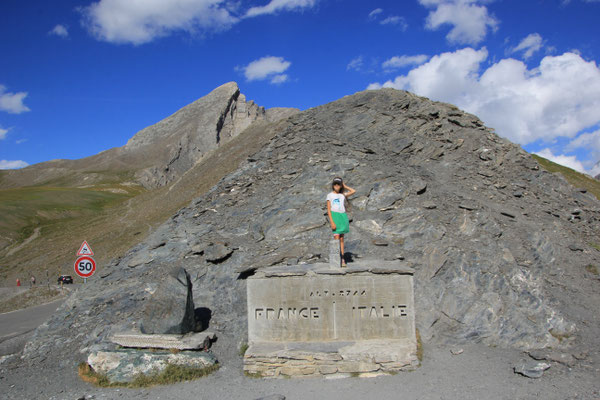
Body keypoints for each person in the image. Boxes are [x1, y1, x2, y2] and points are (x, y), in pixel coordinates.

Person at [326, 177, 356, 267]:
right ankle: (336, 259)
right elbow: (328, 210)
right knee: (336, 238)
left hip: (343, 216)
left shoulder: (342, 195)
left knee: (342, 239)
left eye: (338, 184)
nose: (336, 186)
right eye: (335, 184)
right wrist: (332, 222)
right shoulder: (330, 195)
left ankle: (342, 259)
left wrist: (345, 185)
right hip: (335, 217)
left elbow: (353, 191)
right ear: (333, 185)